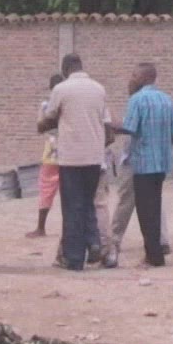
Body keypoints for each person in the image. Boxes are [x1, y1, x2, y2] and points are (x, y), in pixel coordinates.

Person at [38, 54, 110, 271]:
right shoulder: (99, 89)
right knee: (88, 202)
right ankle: (94, 243)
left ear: (66, 68)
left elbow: (50, 117)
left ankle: (74, 258)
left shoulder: (61, 89)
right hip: (94, 158)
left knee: (72, 207)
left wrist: (42, 125)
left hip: (71, 158)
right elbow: (106, 123)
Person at [116, 62, 173, 267]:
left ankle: (153, 257)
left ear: (144, 78)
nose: (132, 79)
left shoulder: (137, 99)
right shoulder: (167, 100)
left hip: (143, 163)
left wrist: (109, 126)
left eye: (134, 75)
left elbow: (130, 128)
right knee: (155, 207)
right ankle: (156, 252)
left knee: (145, 212)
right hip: (161, 163)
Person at [29, 73, 63, 238]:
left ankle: (41, 227)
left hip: (51, 151)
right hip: (67, 151)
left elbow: (40, 127)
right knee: (69, 190)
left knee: (46, 188)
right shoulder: (67, 104)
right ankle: (70, 228)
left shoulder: (46, 106)